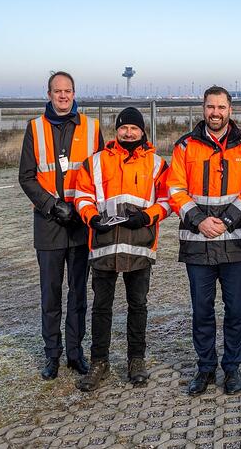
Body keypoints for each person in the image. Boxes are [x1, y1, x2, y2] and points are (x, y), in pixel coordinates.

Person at [167, 86, 241, 396]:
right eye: (211, 107)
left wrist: (227, 220)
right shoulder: (184, 147)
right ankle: (206, 367)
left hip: (235, 242)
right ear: (203, 108)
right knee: (202, 311)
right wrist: (200, 221)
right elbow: (176, 190)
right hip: (198, 243)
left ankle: (232, 366)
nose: (216, 112)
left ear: (230, 110)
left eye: (221, 107)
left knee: (235, 310)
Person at [73, 107, 170, 391]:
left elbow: (167, 200)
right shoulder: (97, 162)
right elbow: (82, 195)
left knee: (137, 305)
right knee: (102, 307)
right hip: (103, 246)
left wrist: (148, 215)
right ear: (116, 131)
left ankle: (135, 360)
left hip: (139, 246)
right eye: (124, 128)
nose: (129, 132)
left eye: (134, 128)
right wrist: (91, 217)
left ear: (143, 132)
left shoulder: (155, 164)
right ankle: (99, 362)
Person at [19, 71, 103, 380]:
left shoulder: (92, 128)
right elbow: (26, 176)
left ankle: (75, 353)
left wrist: (86, 209)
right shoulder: (35, 129)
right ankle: (52, 355)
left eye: (68, 91)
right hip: (49, 224)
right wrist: (52, 205)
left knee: (78, 294)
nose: (63, 96)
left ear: (74, 92)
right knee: (51, 295)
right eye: (58, 91)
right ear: (50, 93)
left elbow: (100, 173)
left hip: (80, 225)